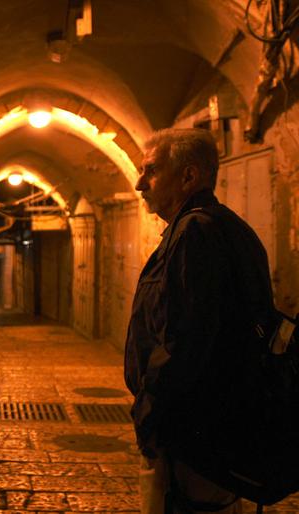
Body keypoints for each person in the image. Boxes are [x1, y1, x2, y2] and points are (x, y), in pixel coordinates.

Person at [124, 128, 273, 514]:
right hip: (219, 427)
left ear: (189, 176)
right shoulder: (229, 228)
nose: (140, 183)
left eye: (151, 171)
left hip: (192, 431)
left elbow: (184, 340)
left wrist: (150, 414)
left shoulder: (195, 234)